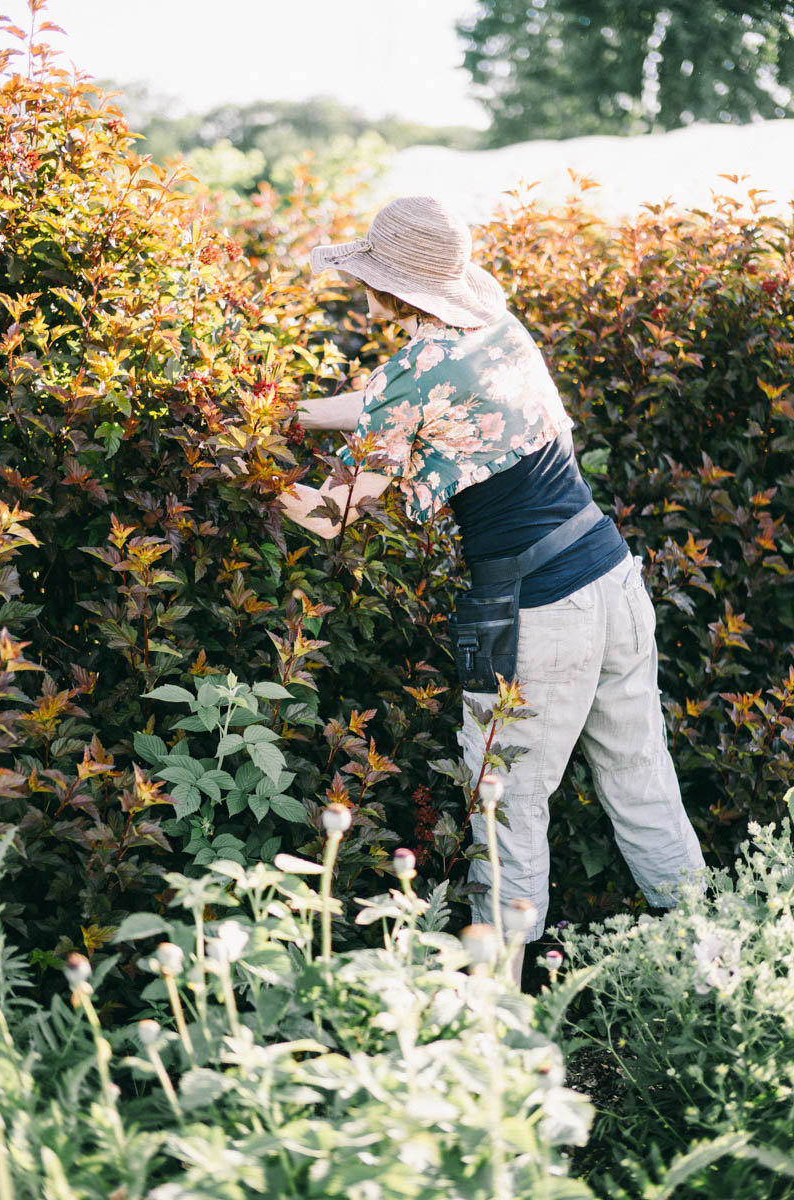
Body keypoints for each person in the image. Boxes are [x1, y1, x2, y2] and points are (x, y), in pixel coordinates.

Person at [279, 195, 705, 986]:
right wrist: (293, 413)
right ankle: (722, 973)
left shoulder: (415, 372)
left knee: (505, 809)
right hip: (611, 575)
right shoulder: (497, 330)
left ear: (389, 288)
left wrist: (259, 474)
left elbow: (334, 516)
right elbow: (384, 405)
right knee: (643, 780)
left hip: (542, 611)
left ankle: (498, 1017)